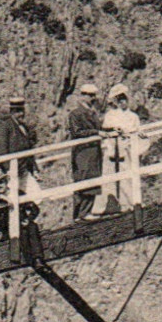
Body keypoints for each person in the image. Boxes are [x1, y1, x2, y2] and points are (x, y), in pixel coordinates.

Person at [101, 83, 143, 209]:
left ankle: (131, 205)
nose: (122, 103)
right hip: (112, 151)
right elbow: (105, 131)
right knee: (110, 180)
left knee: (129, 179)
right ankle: (111, 206)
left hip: (127, 151)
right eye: (119, 100)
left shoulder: (133, 117)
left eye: (124, 100)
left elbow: (139, 133)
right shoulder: (110, 116)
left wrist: (129, 137)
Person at [67, 83, 105, 220]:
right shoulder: (75, 114)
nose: (93, 98)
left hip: (93, 151)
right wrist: (96, 132)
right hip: (83, 152)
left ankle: (87, 211)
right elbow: (77, 132)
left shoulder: (92, 112)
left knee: (93, 179)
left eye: (93, 95)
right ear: (82, 96)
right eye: (90, 95)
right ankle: (80, 214)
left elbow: (101, 127)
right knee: (83, 179)